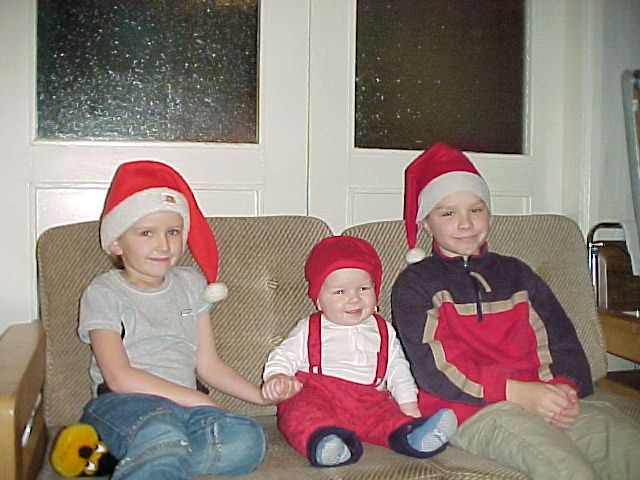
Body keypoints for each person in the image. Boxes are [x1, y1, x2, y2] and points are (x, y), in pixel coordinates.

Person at [391, 143, 640, 480]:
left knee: (627, 447)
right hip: (473, 411)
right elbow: (433, 368)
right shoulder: (415, 284)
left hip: (543, 395)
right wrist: (515, 392)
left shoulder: (517, 274)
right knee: (568, 470)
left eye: (476, 209)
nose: (465, 223)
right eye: (448, 213)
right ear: (425, 223)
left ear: (489, 214)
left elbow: (561, 338)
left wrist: (564, 388)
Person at [77, 160, 268, 480]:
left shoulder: (191, 283)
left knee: (246, 438)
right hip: (123, 406)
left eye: (173, 232)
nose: (163, 245)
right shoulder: (104, 292)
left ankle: (130, 459)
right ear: (116, 242)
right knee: (161, 429)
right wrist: (199, 400)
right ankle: (153, 451)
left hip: (186, 413)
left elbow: (208, 365)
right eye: (146, 233)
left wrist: (260, 396)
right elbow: (119, 377)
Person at [261, 235, 457, 467]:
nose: (354, 299)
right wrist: (276, 376)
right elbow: (284, 355)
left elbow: (398, 370)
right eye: (340, 292)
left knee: (388, 417)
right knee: (298, 411)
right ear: (319, 300)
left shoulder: (383, 330)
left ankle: (413, 435)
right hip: (319, 397)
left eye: (363, 288)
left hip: (368, 401)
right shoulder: (309, 327)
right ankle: (325, 442)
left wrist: (409, 406)